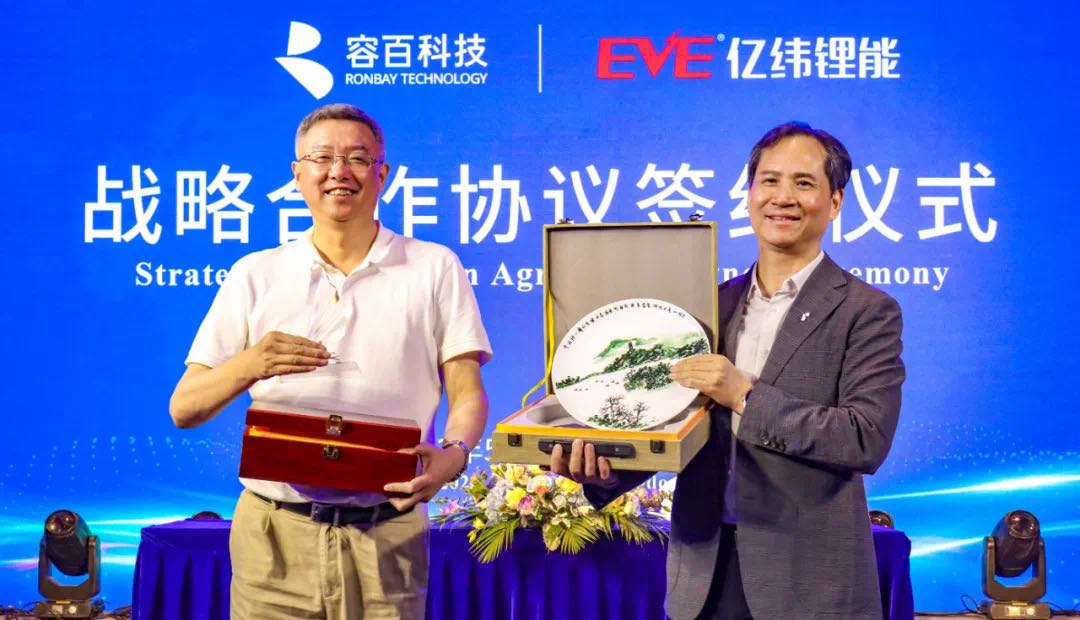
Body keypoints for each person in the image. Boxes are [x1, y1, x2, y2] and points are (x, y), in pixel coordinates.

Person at [551, 122, 904, 620]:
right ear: (749, 194)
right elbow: (672, 423)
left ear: (835, 201)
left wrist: (745, 396)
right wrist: (605, 471)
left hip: (808, 585)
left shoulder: (866, 310)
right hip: (703, 573)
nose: (783, 197)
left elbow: (864, 438)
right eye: (769, 180)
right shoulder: (708, 308)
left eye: (803, 183)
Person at [169, 103, 492, 620]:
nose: (339, 171)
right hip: (273, 534)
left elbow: (467, 390)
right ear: (297, 175)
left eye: (358, 158)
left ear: (382, 174)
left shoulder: (433, 266)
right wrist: (253, 362)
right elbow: (184, 408)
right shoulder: (256, 273)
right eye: (322, 158)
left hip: (388, 533)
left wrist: (454, 454)